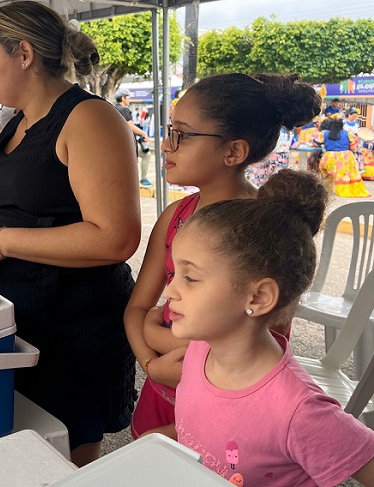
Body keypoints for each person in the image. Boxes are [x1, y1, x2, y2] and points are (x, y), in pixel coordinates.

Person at [0, 0, 140, 467]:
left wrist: (5, 241)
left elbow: (115, 237)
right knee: (12, 448)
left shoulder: (89, 118)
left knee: (66, 456)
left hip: (72, 327)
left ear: (24, 54)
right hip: (10, 321)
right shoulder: (14, 125)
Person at [124, 73, 321, 440]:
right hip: (162, 388)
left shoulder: (267, 231)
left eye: (181, 134)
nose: (166, 145)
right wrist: (151, 364)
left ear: (233, 152)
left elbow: (263, 342)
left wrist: (159, 338)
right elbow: (137, 308)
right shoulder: (174, 216)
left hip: (228, 401)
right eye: (169, 131)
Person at [159, 169, 374, 486]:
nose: (168, 291)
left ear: (258, 297)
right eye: (175, 273)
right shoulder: (202, 348)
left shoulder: (300, 412)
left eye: (190, 278)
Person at [316, 117, 370, 197]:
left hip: (330, 157)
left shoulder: (324, 133)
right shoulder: (348, 134)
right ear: (342, 126)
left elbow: (315, 143)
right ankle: (343, 187)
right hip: (345, 158)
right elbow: (353, 148)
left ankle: (329, 188)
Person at [115, 89, 152, 187]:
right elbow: (130, 126)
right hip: (127, 143)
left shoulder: (114, 108)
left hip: (118, 142)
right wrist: (144, 133)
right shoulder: (124, 109)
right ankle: (143, 179)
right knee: (146, 155)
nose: (130, 100)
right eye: (128, 97)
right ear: (123, 98)